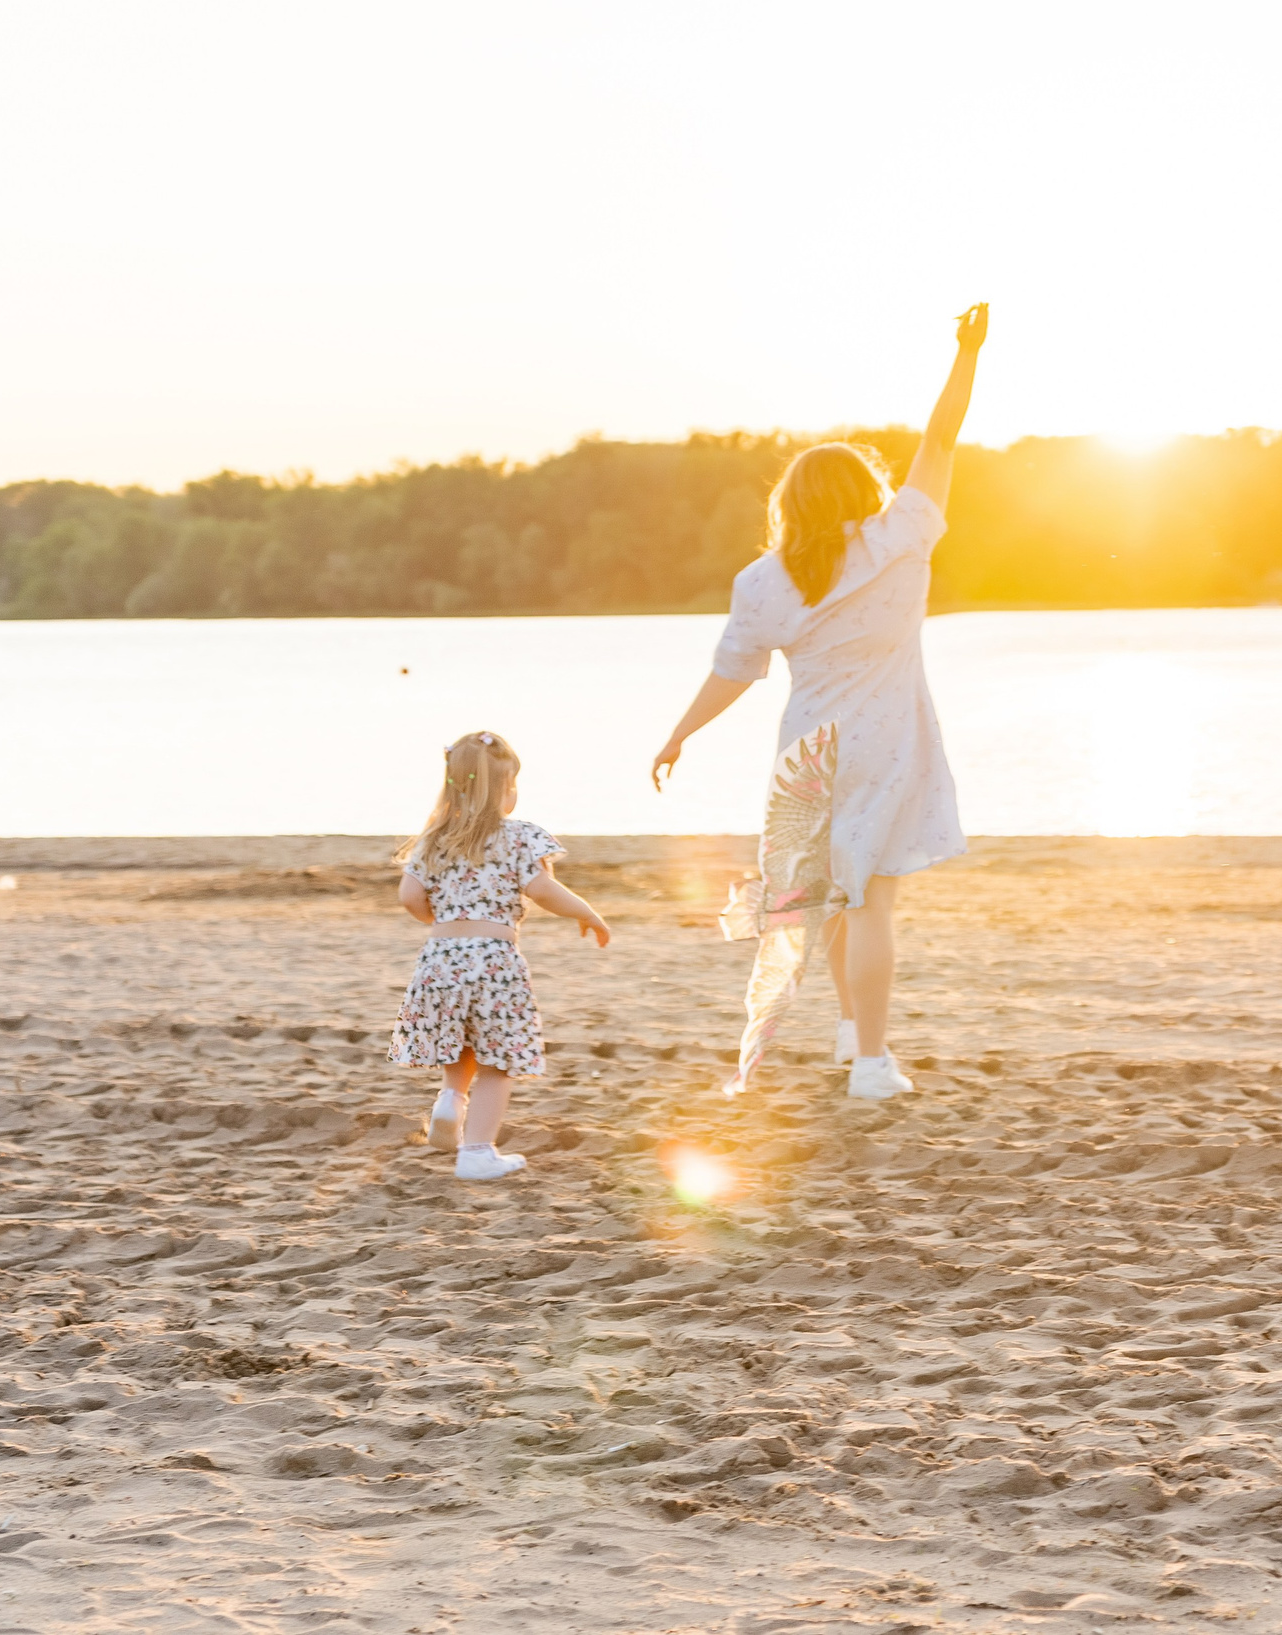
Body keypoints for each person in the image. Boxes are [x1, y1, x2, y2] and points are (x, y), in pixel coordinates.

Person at [653, 304, 988, 1099]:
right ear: (862, 492)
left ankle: (848, 1030)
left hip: (807, 747)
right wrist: (967, 355)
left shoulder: (763, 580)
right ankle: (872, 1063)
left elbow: (733, 671)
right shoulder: (898, 537)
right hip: (885, 741)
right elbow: (940, 441)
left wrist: (680, 733)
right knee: (870, 900)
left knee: (841, 894)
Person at [388, 730, 610, 1180]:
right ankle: (476, 1152)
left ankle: (451, 1099)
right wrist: (586, 912)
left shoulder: (433, 840)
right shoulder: (520, 837)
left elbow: (409, 895)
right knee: (496, 1059)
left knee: (458, 1037)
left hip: (440, 958)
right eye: (511, 785)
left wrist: (442, 918)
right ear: (504, 790)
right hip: (494, 960)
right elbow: (542, 889)